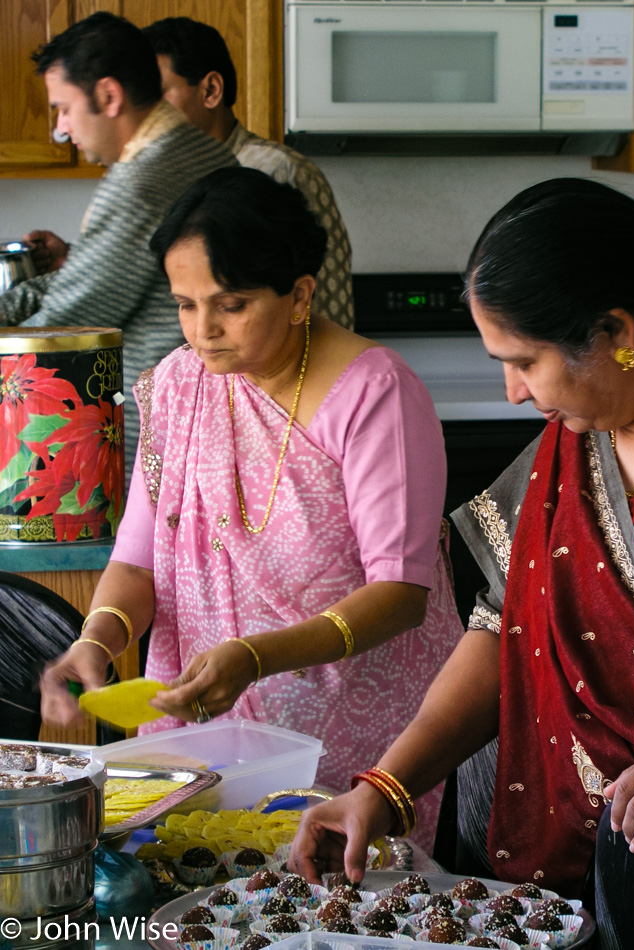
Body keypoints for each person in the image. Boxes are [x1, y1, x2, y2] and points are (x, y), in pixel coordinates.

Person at [287, 178, 634, 947]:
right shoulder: (583, 427)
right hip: (555, 877)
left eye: (523, 361)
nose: (510, 392)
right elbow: (505, 624)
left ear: (614, 331)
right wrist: (387, 784)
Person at [39, 166, 463, 850]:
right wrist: (97, 640)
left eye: (230, 304)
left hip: (349, 743)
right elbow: (139, 562)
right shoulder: (178, 387)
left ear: (299, 295)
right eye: (184, 304)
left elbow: (400, 592)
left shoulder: (374, 393)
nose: (202, 330)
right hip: (204, 737)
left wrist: (253, 657)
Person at [0, 12, 237, 479]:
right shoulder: (202, 148)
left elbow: (65, 325)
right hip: (203, 422)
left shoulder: (140, 182)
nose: (61, 128)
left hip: (154, 441)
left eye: (63, 108)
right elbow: (83, 278)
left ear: (109, 96)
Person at [142, 16, 354, 331]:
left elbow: (303, 311)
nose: (143, 113)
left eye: (156, 96)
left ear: (211, 90)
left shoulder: (268, 169)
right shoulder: (183, 175)